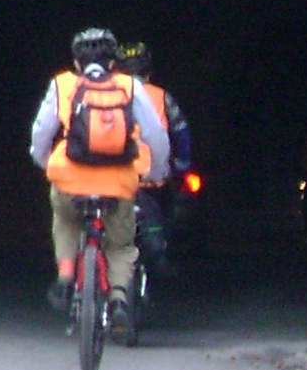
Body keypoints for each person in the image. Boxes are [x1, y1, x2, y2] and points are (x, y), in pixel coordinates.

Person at [28, 27, 168, 336]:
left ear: (77, 63)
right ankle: (118, 298)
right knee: (120, 243)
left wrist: (43, 163)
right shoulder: (129, 87)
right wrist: (157, 172)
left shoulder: (63, 84)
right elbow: (156, 136)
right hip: (119, 184)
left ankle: (66, 279)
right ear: (113, 63)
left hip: (70, 179)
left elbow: (40, 133)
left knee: (65, 220)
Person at [117, 40, 193, 270]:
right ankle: (160, 254)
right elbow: (181, 132)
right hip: (150, 180)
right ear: (148, 72)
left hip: (112, 178)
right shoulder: (162, 97)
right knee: (166, 204)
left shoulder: (104, 95)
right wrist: (182, 163)